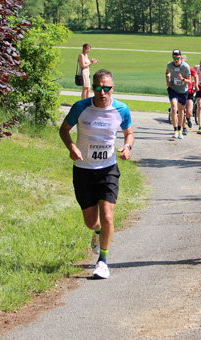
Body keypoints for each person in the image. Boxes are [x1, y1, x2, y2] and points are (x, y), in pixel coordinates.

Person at [59, 69, 134, 280]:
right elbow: (63, 130)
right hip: (83, 170)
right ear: (93, 87)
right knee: (92, 222)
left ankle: (102, 261)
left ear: (113, 88)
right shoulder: (81, 107)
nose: (103, 92)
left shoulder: (121, 109)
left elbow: (129, 133)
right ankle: (98, 232)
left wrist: (128, 147)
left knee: (108, 216)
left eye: (107, 88)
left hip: (108, 169)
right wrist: (71, 147)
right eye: (99, 87)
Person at [166, 49, 192, 139]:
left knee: (181, 111)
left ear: (180, 57)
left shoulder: (185, 67)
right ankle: (175, 130)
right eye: (174, 57)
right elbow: (167, 73)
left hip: (183, 91)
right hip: (173, 89)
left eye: (177, 57)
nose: (175, 60)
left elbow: (190, 81)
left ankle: (180, 130)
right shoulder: (170, 65)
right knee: (174, 108)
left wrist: (182, 79)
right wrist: (167, 80)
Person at [181, 54, 196, 136]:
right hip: (180, 92)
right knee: (182, 111)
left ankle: (189, 118)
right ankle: (184, 128)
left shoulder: (189, 69)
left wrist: (196, 85)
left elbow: (196, 75)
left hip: (189, 92)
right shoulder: (177, 69)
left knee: (189, 111)